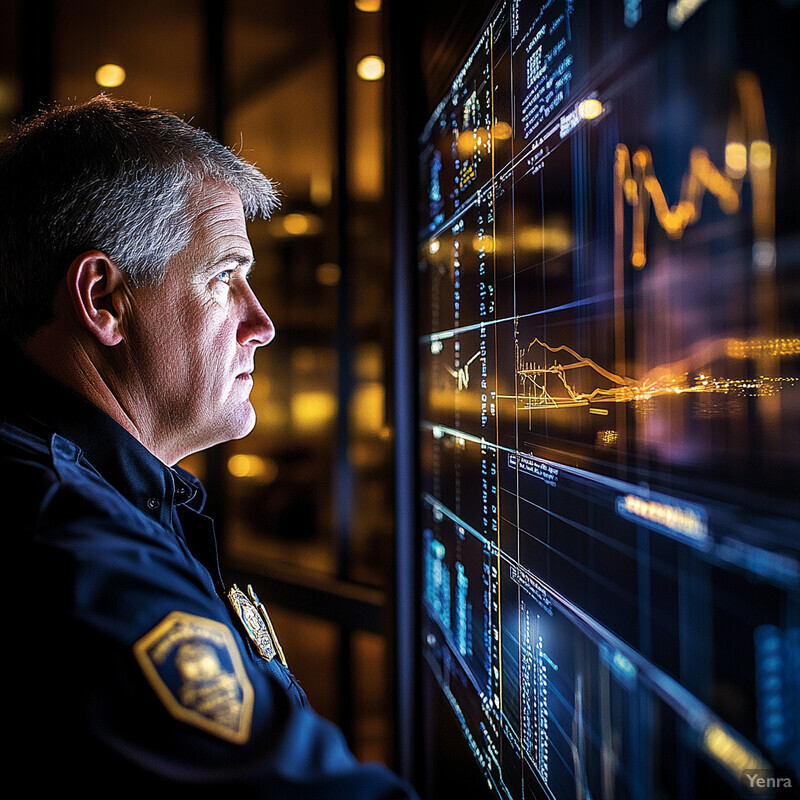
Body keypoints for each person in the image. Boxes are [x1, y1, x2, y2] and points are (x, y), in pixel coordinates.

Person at [0, 95, 417, 798]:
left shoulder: (84, 486)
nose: (262, 323)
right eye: (226, 276)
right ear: (104, 299)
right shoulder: (75, 541)